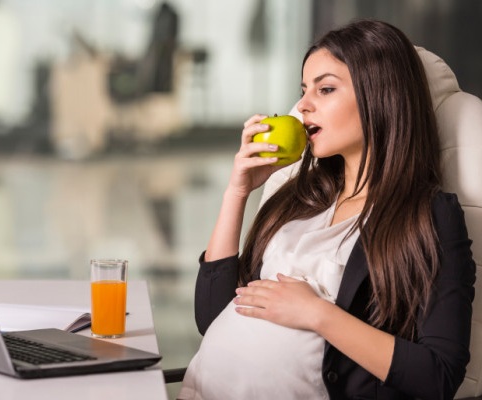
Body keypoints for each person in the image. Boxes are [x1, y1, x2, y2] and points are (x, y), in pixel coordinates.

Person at [178, 19, 476, 400]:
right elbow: (212, 316)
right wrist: (237, 192)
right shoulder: (299, 197)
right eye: (304, 90)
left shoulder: (429, 216)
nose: (302, 105)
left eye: (326, 89)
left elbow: (438, 376)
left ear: (379, 97)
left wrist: (317, 313)